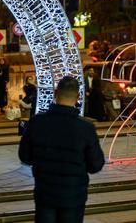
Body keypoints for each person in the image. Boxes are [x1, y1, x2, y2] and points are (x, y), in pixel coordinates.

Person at [19, 76, 105, 222]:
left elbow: (24, 156)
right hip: (73, 195)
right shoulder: (85, 128)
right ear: (78, 97)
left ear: (55, 93)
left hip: (45, 193)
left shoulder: (37, 122)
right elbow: (95, 165)